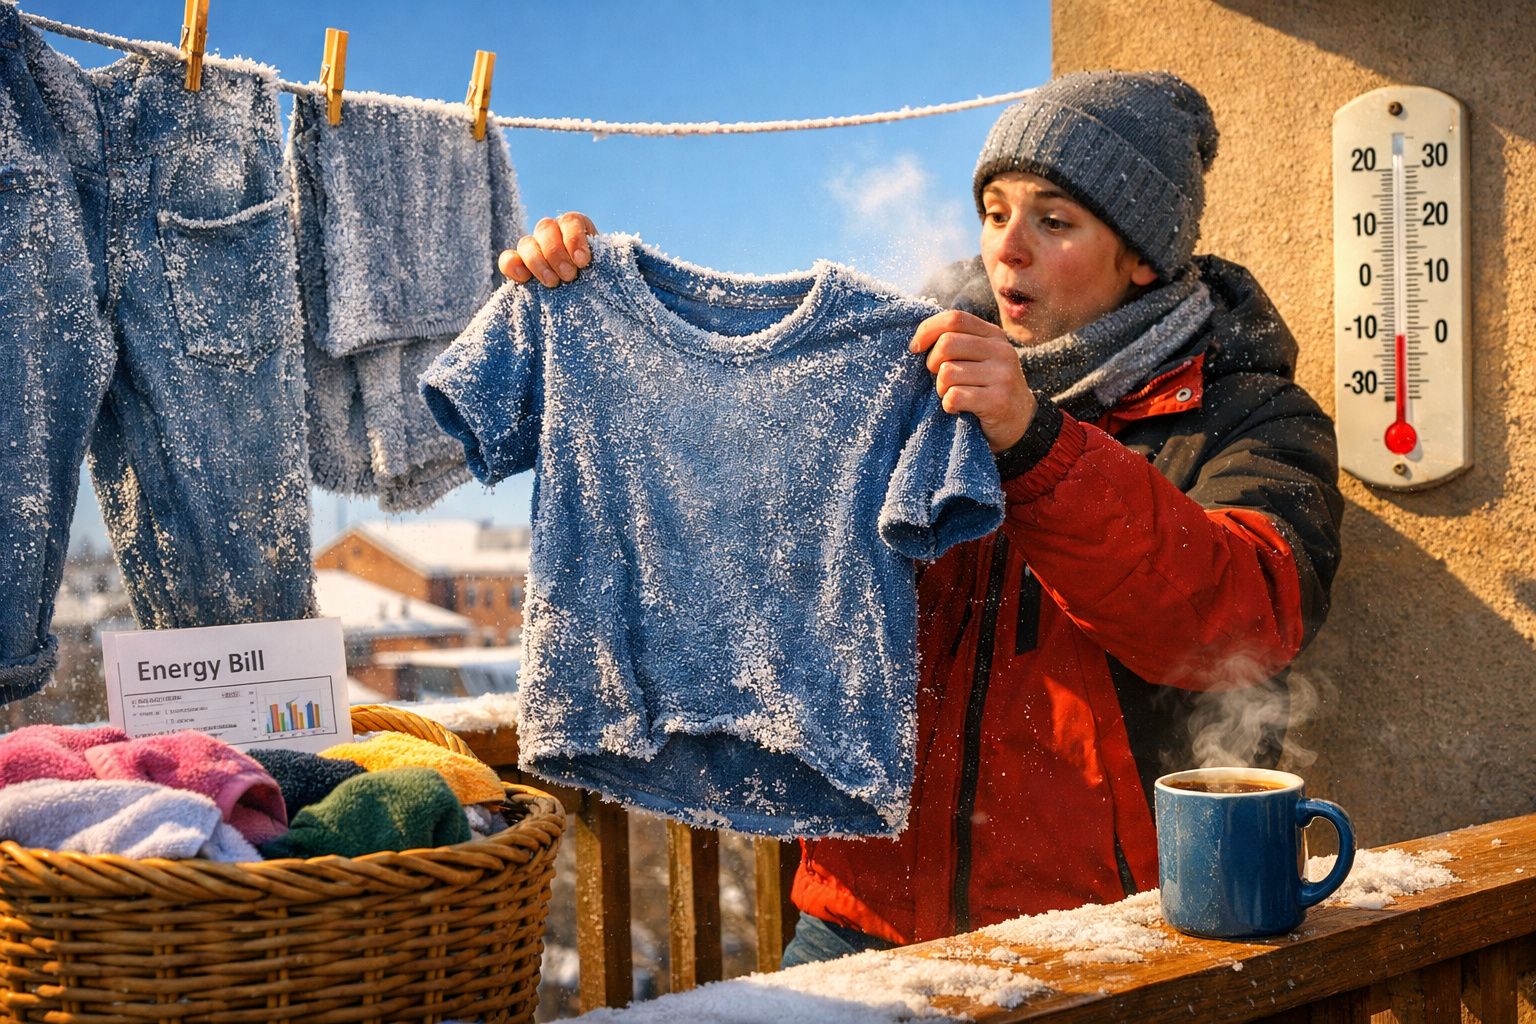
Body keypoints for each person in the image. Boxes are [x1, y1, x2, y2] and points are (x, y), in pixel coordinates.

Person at [498, 70, 1343, 964]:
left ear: (1142, 256)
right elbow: (736, 536)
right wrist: (606, 305)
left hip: (1108, 937)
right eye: (994, 211)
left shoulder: (1253, 416)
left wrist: (1035, 442)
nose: (1005, 250)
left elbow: (1238, 623)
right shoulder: (908, 378)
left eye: (1053, 221)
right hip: (853, 924)